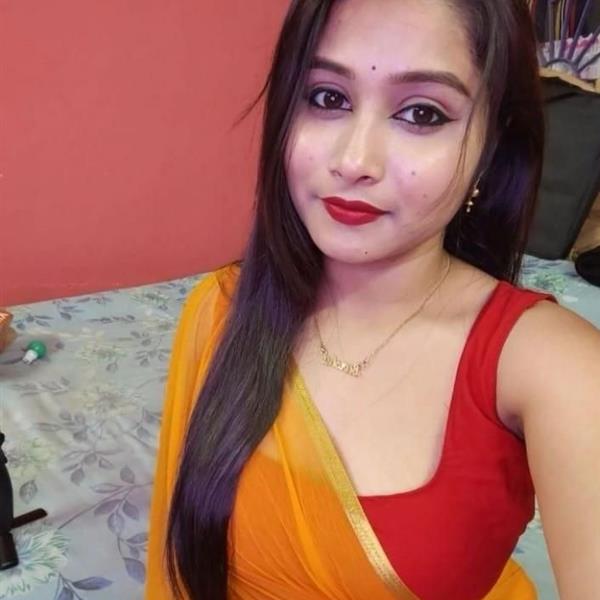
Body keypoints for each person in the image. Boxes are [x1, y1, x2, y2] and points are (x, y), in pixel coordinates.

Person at [145, 0, 600, 598]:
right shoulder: (221, 308)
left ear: (493, 144)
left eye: (422, 113)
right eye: (327, 97)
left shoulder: (554, 367)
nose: (354, 161)